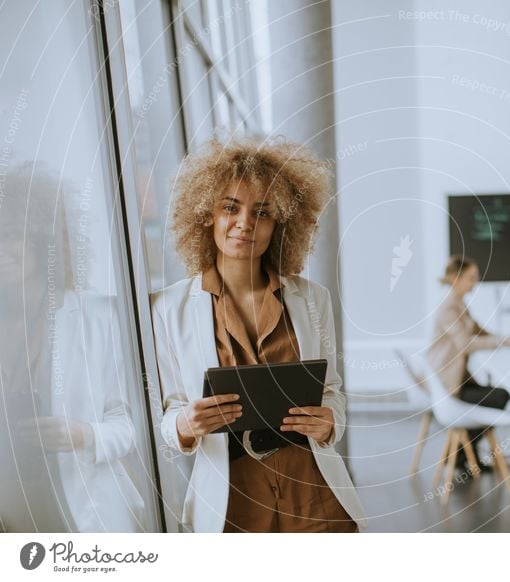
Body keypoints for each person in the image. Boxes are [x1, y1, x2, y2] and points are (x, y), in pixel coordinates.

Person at [150, 135, 366, 532]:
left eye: (262, 212)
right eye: (230, 208)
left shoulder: (312, 298)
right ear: (205, 214)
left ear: (280, 223)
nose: (244, 223)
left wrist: (330, 423)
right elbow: (166, 414)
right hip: (232, 499)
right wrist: (184, 425)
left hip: (314, 494)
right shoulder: (166, 309)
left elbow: (331, 389)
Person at [427, 255, 510, 472]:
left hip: (457, 379)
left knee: (498, 395)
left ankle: (462, 454)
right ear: (456, 278)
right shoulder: (449, 307)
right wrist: (504, 341)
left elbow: (477, 330)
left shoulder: (457, 303)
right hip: (449, 386)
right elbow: (465, 343)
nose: (476, 281)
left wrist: (508, 339)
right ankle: (463, 456)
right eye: (471, 277)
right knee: (500, 396)